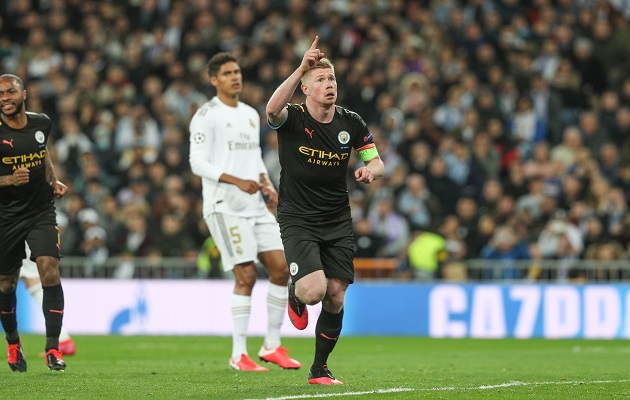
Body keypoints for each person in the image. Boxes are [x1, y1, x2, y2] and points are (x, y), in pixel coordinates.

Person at [266, 37, 384, 385]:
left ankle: (319, 369)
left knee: (335, 295)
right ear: (304, 88)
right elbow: (271, 110)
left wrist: (368, 171)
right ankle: (295, 290)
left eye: (331, 79)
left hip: (336, 220)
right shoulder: (293, 118)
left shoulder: (351, 122)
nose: (329, 85)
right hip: (297, 218)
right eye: (320, 80)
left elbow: (376, 162)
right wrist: (301, 66)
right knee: (314, 290)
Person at [189, 53, 300, 372]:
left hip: (255, 205)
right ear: (214, 80)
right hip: (225, 207)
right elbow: (197, 162)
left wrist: (266, 183)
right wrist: (237, 181)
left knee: (281, 269)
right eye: (227, 73)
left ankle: (272, 345)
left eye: (237, 72)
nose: (235, 77)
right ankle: (239, 354)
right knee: (246, 275)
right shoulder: (206, 115)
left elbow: (252, 158)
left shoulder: (252, 114)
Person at [0, 74, 68, 372]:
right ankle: (14, 344)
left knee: (49, 271)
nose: (5, 97)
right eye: (0, 93)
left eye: (10, 91)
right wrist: (8, 179)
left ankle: (53, 349)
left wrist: (53, 179)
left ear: (23, 94)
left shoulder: (42, 123)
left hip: (41, 210)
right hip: (5, 216)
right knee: (6, 284)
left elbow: (43, 154)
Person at [21, 243, 76, 356]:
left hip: (16, 231)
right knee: (30, 279)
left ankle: (63, 338)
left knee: (30, 279)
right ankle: (63, 338)